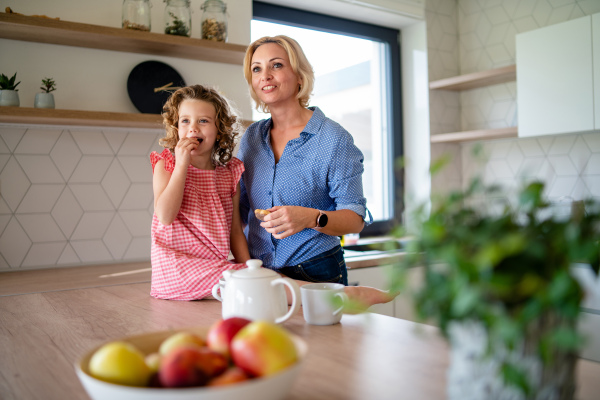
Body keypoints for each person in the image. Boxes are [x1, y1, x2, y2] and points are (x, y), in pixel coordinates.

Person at [237, 35, 395, 307]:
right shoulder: (251, 138)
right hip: (260, 272)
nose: (265, 76)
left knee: (324, 350)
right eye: (257, 68)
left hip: (316, 269)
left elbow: (355, 218)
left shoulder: (333, 138)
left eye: (276, 65)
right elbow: (238, 209)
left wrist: (311, 218)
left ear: (299, 76)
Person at [149, 84, 250, 300]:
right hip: (176, 271)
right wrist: (182, 165)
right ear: (176, 127)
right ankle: (328, 295)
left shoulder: (229, 175)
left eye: (203, 121)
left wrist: (251, 269)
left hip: (211, 268)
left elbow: (235, 232)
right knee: (264, 285)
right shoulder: (166, 165)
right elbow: (165, 216)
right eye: (185, 121)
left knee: (258, 280)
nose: (193, 128)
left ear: (219, 129)